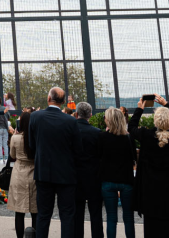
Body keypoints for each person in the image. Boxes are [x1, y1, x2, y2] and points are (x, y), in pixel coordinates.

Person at [26, 87, 83, 238]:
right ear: (64, 102)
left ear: (48, 98)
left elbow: (31, 145)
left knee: (43, 215)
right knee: (67, 215)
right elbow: (78, 149)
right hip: (66, 174)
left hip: (43, 172)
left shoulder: (36, 117)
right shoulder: (71, 121)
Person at [127, 95, 169, 237]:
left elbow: (131, 127)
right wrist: (166, 104)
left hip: (150, 191)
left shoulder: (145, 135)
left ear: (155, 120)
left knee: (153, 228)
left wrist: (139, 109)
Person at [98, 107, 134, 238]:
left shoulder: (102, 137)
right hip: (126, 180)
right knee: (129, 217)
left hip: (108, 180)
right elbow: (133, 158)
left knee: (111, 217)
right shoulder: (128, 138)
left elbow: (98, 157)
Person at [71, 102, 103, 238]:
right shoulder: (97, 133)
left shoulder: (71, 132)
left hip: (75, 177)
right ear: (90, 115)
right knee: (96, 214)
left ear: (76, 114)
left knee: (77, 214)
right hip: (93, 177)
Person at [8, 111, 37, 238]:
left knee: (19, 212)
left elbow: (12, 156)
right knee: (36, 211)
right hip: (34, 172)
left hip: (19, 172)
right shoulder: (37, 138)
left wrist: (14, 136)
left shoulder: (15, 138)